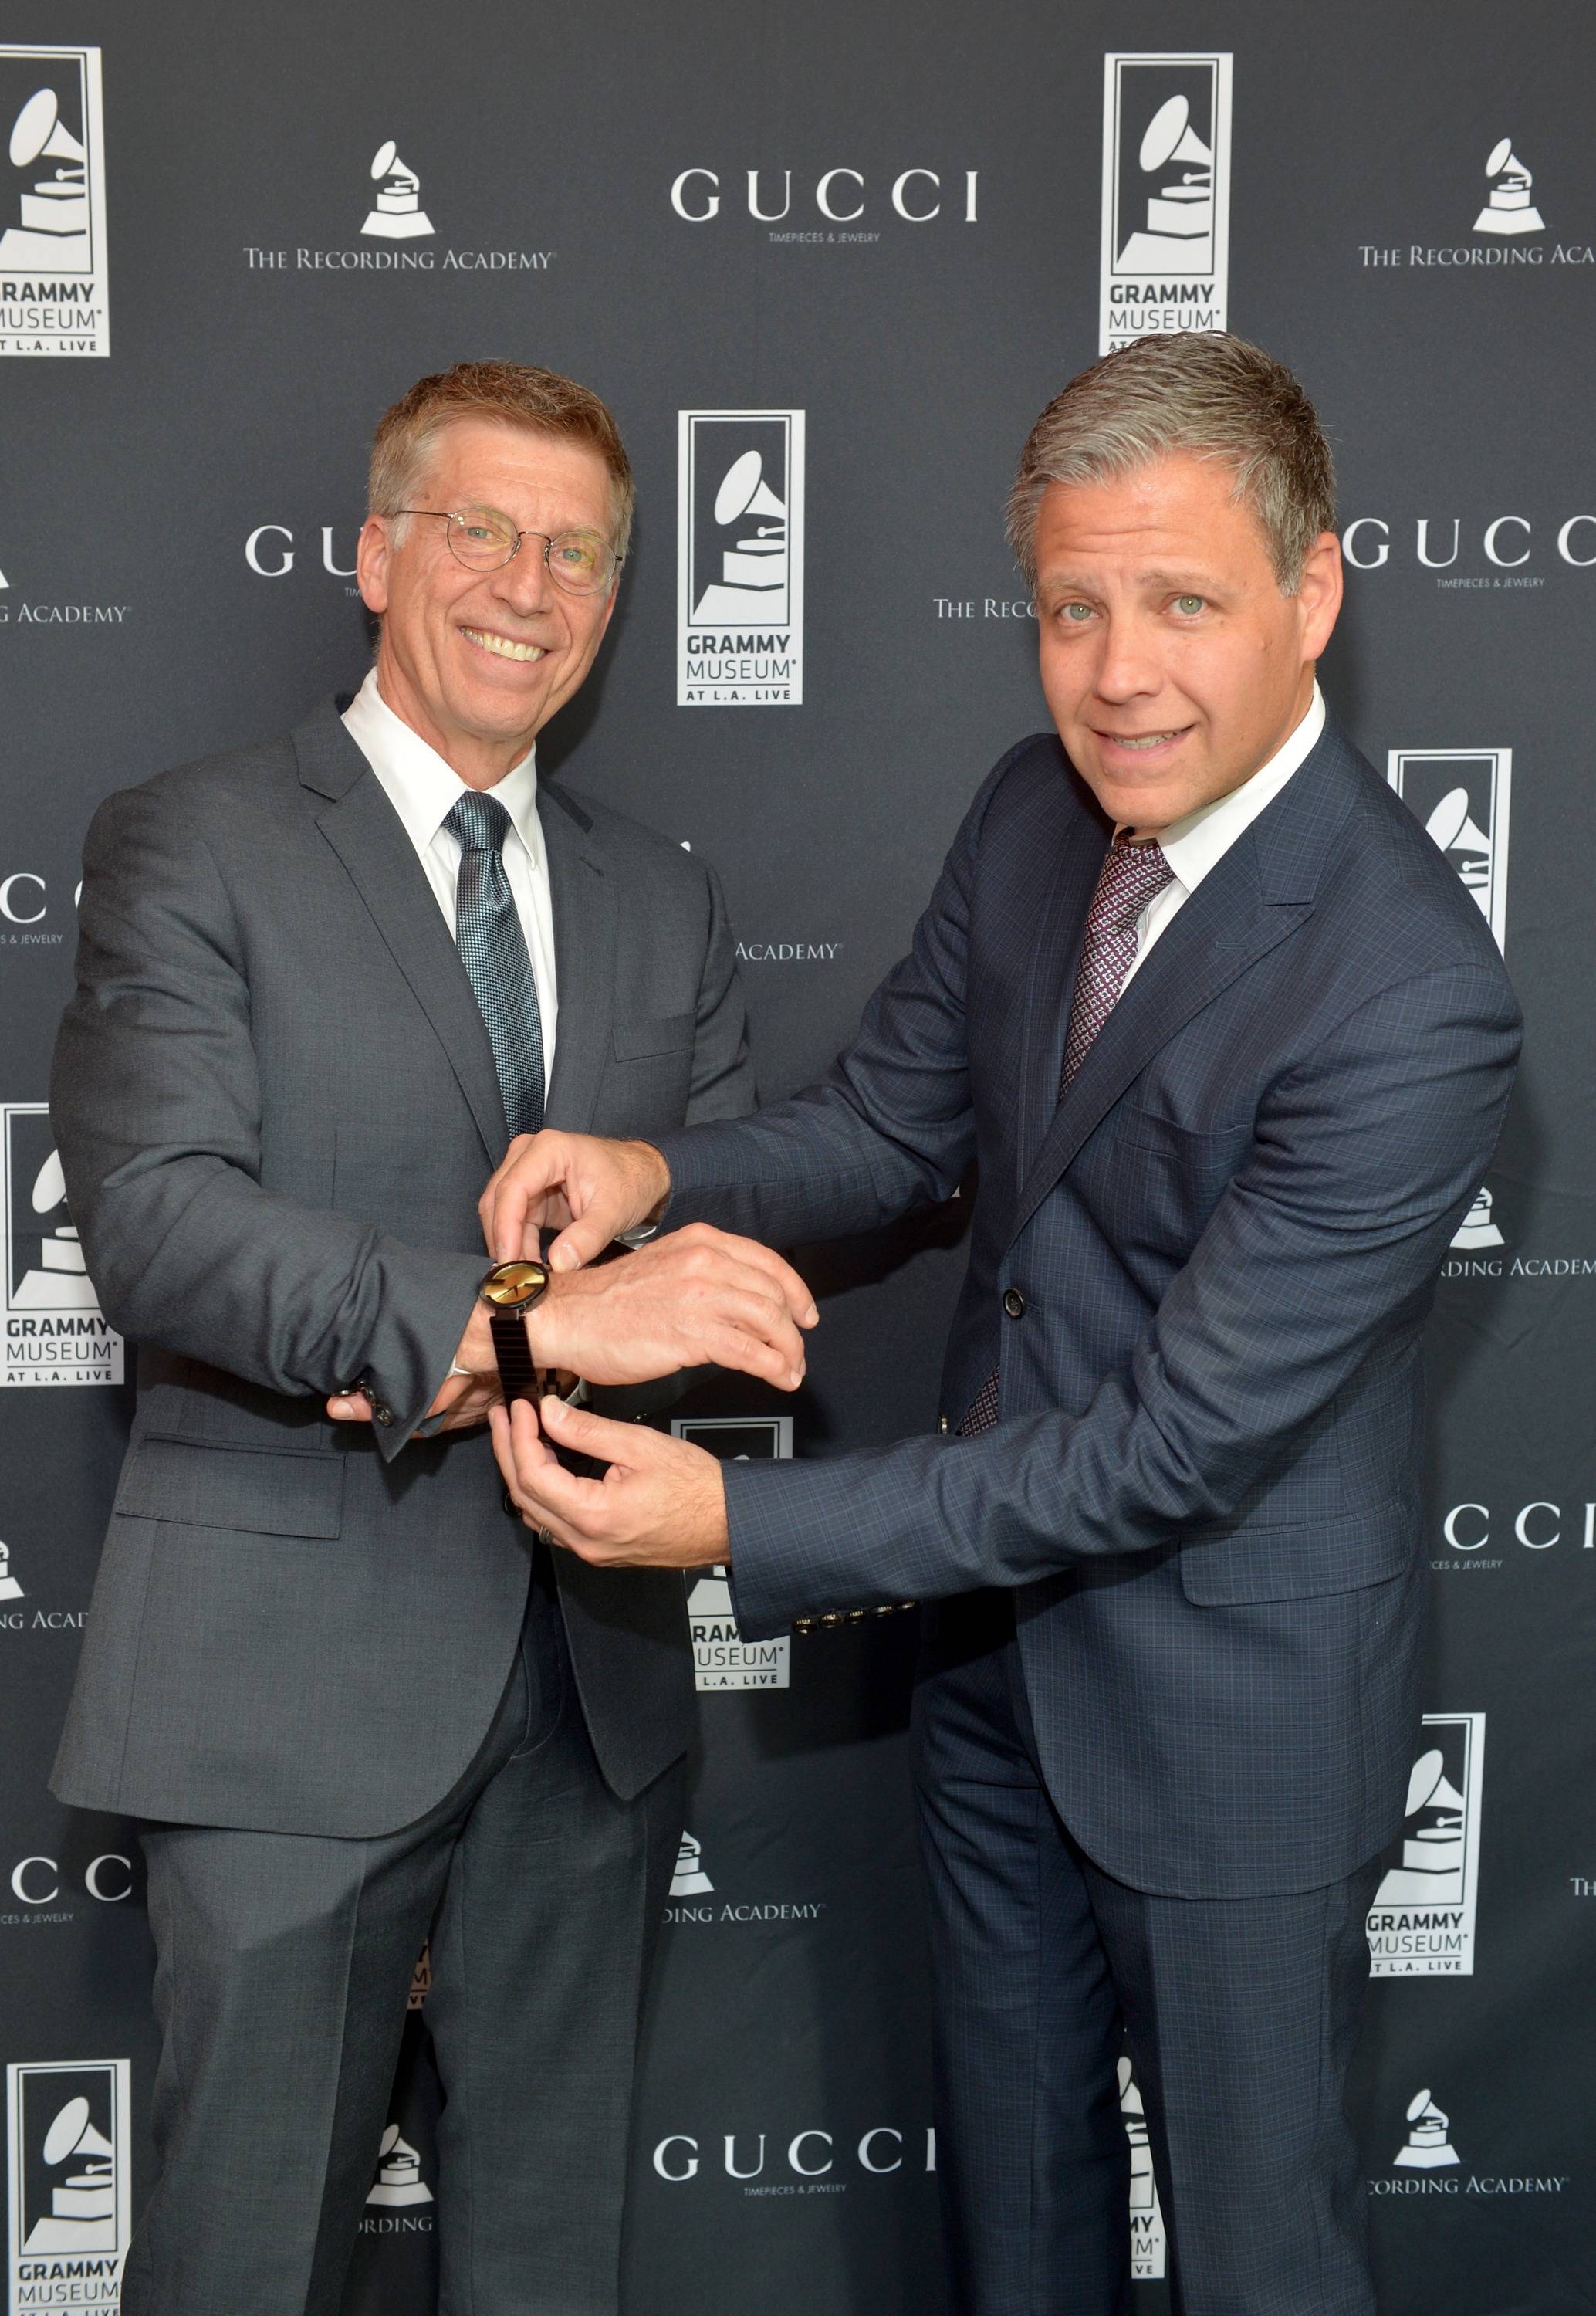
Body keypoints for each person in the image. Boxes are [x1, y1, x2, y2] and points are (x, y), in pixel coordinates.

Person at [481, 334, 1522, 2315]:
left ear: (1311, 592)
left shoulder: (1407, 989)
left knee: (1258, 2262)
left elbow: (1164, 1448)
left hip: (1232, 1729)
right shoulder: (1035, 815)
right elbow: (888, 1125)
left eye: (1181, 604)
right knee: (1013, 2242)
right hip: (990, 1683)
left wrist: (734, 1525)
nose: (1116, 674)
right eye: (1070, 609)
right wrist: (648, 1170)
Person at [49, 360, 813, 2316]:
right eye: (479, 530)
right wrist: (530, 1320)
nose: (526, 587)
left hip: (590, 1692)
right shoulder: (193, 839)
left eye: (578, 553)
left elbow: (706, 1261)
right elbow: (160, 1225)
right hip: (279, 1691)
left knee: (547, 2269)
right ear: (377, 552)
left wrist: (620, 1307)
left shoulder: (660, 899)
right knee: (237, 2265)